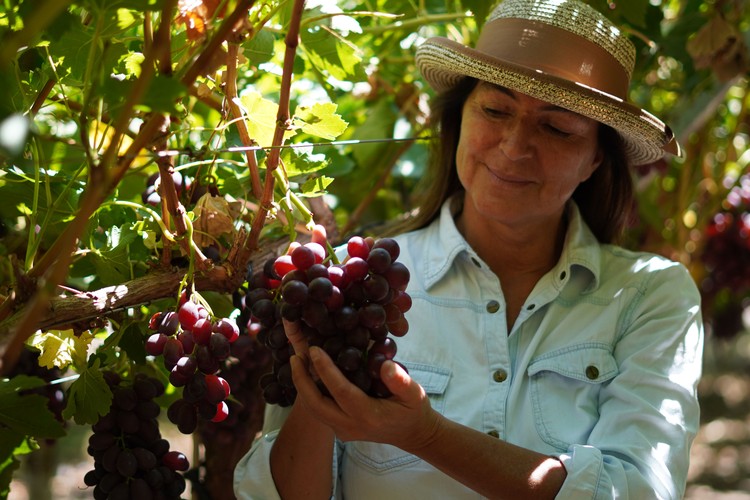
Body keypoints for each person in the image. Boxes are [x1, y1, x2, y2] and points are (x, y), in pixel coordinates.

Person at [234, 0, 704, 498]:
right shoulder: (357, 288)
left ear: (594, 160)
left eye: (557, 128)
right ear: (459, 119)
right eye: (495, 110)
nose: (514, 146)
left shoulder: (651, 296)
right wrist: (322, 374)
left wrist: (427, 436)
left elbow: (639, 490)